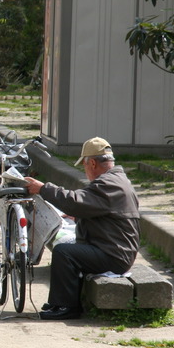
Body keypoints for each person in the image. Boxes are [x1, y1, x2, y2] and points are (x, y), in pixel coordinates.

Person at [23, 137, 140, 321]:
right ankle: (58, 302)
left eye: (84, 166)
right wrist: (76, 215)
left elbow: (74, 201)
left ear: (92, 163)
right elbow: (100, 211)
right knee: (66, 246)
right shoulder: (116, 180)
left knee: (64, 252)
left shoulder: (108, 184)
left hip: (114, 255)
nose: (85, 171)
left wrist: (43, 188)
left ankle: (67, 307)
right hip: (115, 249)